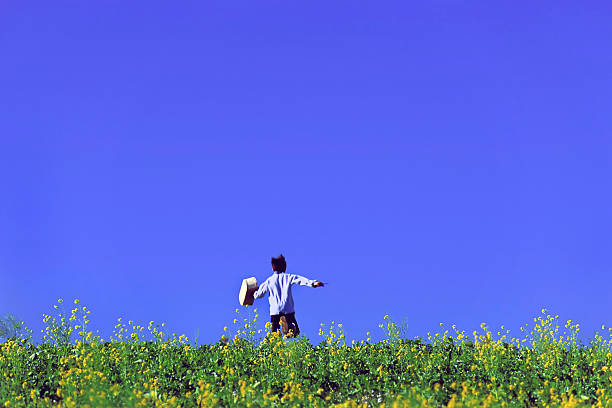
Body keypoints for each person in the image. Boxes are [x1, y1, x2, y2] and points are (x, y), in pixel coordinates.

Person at [253, 254, 324, 337]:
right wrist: (313, 283)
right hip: (288, 309)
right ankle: (288, 331)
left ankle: (278, 347)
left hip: (275, 311)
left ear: (273, 268)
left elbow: (259, 295)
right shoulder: (288, 277)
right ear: (284, 267)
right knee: (295, 333)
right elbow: (300, 280)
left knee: (275, 335)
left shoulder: (269, 281)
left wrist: (253, 293)